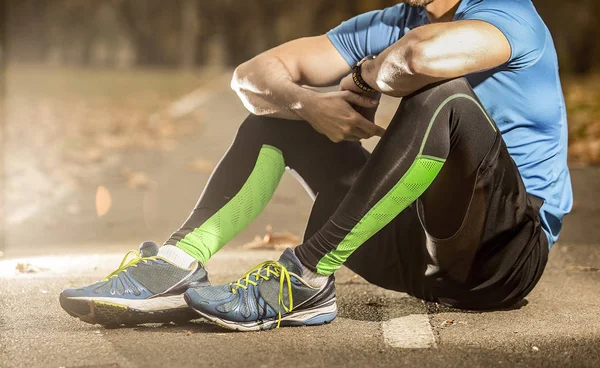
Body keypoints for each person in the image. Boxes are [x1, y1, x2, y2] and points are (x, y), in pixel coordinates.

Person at [59, 0, 572, 330]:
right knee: (278, 120)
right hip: (406, 252)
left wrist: (367, 79)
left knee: (445, 98)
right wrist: (307, 104)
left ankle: (304, 277)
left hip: (500, 258)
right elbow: (252, 78)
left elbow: (418, 62)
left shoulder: (510, 15)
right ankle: (175, 266)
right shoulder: (396, 22)